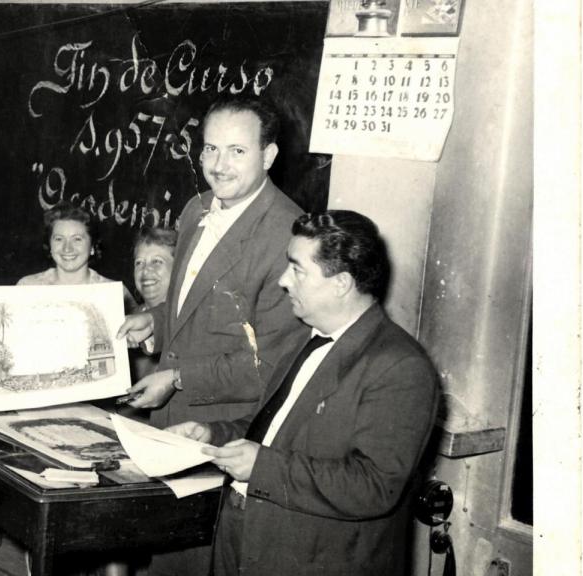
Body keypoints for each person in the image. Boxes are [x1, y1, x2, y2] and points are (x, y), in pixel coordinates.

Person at [169, 211, 440, 576]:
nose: (283, 281)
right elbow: (274, 428)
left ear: (341, 283)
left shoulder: (399, 366)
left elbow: (375, 485)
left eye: (297, 269)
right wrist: (213, 435)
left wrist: (261, 466)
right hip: (243, 540)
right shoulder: (306, 339)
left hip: (311, 560)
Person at [117, 93, 304, 428]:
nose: (219, 165)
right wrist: (156, 323)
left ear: (268, 155)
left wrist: (177, 378)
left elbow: (272, 364)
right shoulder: (196, 208)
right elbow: (198, 302)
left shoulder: (290, 238)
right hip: (168, 420)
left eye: (237, 151)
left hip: (222, 431)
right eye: (211, 148)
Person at [18, 201, 136, 311]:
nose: (67, 248)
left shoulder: (115, 292)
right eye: (59, 239)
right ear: (50, 245)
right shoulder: (27, 286)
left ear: (92, 247)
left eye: (77, 239)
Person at [129, 226, 177, 382]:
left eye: (157, 261)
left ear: (178, 268)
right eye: (139, 263)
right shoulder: (129, 320)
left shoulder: (189, 320)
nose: (145, 270)